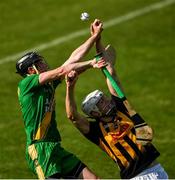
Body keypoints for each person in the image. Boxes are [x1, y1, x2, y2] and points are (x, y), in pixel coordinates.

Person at [65, 20, 168, 179]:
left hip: (158, 169)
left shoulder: (121, 108)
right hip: (135, 176)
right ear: (94, 112)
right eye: (101, 102)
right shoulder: (96, 131)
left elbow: (109, 72)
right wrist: (69, 87)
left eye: (104, 98)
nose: (107, 101)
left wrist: (97, 38)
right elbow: (72, 116)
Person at [16, 19, 106, 179]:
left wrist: (93, 37)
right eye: (39, 63)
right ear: (31, 70)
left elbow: (72, 60)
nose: (44, 63)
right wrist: (92, 62)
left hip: (55, 148)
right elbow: (62, 70)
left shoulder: (47, 85)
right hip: (40, 150)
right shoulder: (26, 84)